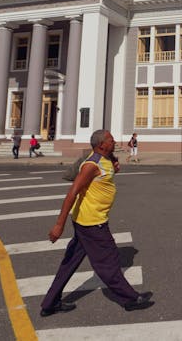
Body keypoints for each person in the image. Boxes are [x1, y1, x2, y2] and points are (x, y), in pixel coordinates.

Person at [40, 129, 153, 317]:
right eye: (110, 139)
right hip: (92, 222)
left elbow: (104, 174)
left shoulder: (104, 159)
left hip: (85, 220)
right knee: (108, 262)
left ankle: (50, 303)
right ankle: (130, 299)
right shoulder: (91, 165)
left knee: (69, 263)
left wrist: (114, 166)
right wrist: (59, 225)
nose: (114, 141)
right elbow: (72, 193)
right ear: (101, 145)